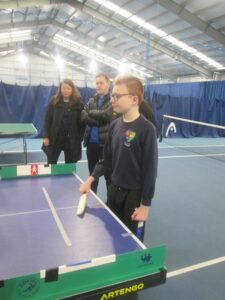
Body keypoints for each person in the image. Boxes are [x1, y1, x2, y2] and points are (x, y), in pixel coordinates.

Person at [80, 75, 158, 241]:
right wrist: (90, 179)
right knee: (114, 236)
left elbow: (150, 171)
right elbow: (106, 160)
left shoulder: (147, 129)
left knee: (132, 243)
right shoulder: (115, 125)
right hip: (114, 191)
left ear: (134, 99)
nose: (112, 99)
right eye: (112, 95)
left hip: (134, 197)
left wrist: (145, 205)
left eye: (117, 96)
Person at [81, 73, 115, 193]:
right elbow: (83, 115)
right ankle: (93, 198)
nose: (98, 85)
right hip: (91, 144)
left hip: (105, 145)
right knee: (92, 175)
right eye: (97, 83)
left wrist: (90, 114)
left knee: (108, 176)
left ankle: (111, 204)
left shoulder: (113, 100)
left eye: (101, 83)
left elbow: (106, 115)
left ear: (108, 84)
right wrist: (97, 121)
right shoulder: (91, 99)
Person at [42, 79, 84, 164]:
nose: (65, 91)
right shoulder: (54, 101)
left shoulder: (78, 104)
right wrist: (46, 136)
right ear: (60, 89)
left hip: (70, 140)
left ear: (72, 90)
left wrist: (79, 138)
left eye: (68, 88)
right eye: (63, 88)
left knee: (70, 165)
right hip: (55, 138)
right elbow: (48, 119)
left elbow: (82, 124)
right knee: (51, 163)